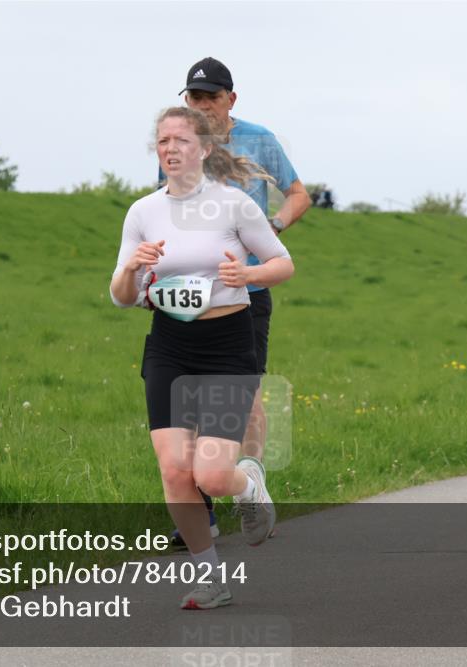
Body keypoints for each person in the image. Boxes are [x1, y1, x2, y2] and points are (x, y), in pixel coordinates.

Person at [111, 106, 295, 608]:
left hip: (226, 344)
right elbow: (121, 296)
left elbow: (283, 263)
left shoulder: (234, 205)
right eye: (163, 141)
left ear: (205, 149)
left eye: (181, 140)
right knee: (174, 470)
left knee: (211, 475)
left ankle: (248, 486)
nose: (170, 148)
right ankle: (210, 577)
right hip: (169, 344)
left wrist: (247, 277)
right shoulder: (143, 212)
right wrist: (133, 269)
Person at [164, 57, 311, 548]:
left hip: (247, 291)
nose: (202, 106)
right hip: (191, 295)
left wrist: (274, 227)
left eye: (211, 97)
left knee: (239, 399)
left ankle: (250, 486)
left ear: (231, 99)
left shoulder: (259, 139)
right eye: (194, 98)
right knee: (187, 401)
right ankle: (198, 517)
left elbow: (297, 194)